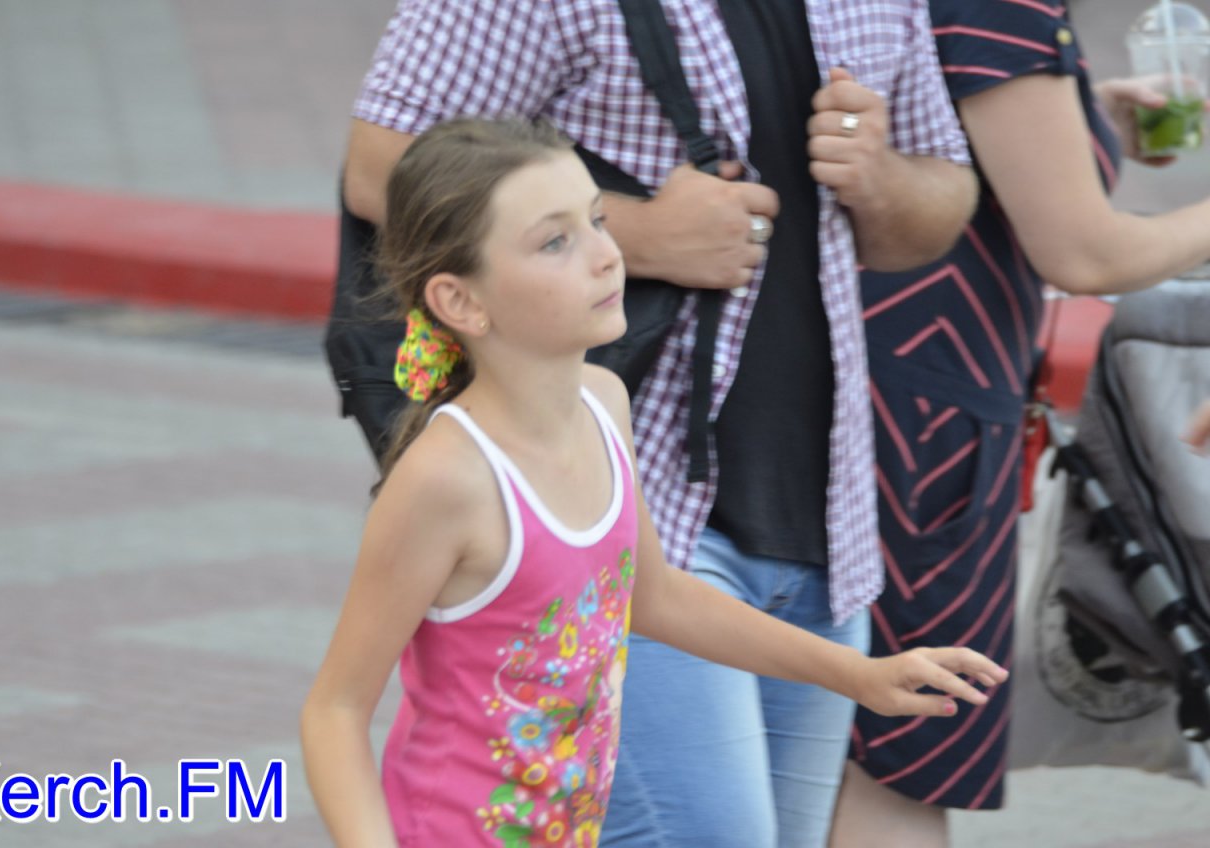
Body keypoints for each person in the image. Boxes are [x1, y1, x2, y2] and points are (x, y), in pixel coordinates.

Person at [341, 3, 979, 845]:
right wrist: (647, 233)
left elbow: (656, 597)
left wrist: (861, 676)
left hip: (824, 522)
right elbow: (379, 163)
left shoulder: (604, 405)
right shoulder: (449, 475)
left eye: (597, 227)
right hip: (650, 516)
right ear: (458, 301)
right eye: (563, 240)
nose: (603, 253)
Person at [830, 2, 1210, 845]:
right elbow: (1085, 254)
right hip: (923, 416)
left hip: (885, 392)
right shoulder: (1001, 8)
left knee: (849, 738)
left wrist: (1085, 120)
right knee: (901, 753)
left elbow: (956, 134)